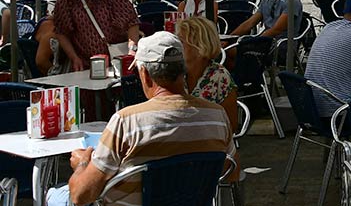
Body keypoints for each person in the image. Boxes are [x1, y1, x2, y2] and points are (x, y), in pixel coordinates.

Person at [46, 32, 236, 206]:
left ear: (144, 74)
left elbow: (80, 196)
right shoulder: (217, 116)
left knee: (54, 195)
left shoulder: (126, 122)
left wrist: (82, 164)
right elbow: (231, 172)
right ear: (182, 70)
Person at [177, 17, 238, 132]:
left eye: (181, 42)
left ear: (199, 45)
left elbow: (231, 125)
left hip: (211, 140)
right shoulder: (174, 72)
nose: (176, 46)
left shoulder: (220, 77)